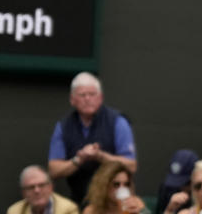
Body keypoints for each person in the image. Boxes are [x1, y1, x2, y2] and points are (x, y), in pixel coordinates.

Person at [47, 73, 137, 204]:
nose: (87, 99)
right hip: (79, 200)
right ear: (72, 99)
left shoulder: (117, 122)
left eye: (92, 94)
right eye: (82, 95)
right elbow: (53, 170)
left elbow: (131, 166)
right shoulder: (63, 126)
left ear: (101, 98)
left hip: (115, 202)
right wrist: (79, 159)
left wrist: (100, 156)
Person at [7, 166, 78, 214]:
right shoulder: (14, 211)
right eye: (31, 187)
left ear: (51, 187)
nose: (37, 190)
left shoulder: (68, 209)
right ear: (23, 192)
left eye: (41, 185)